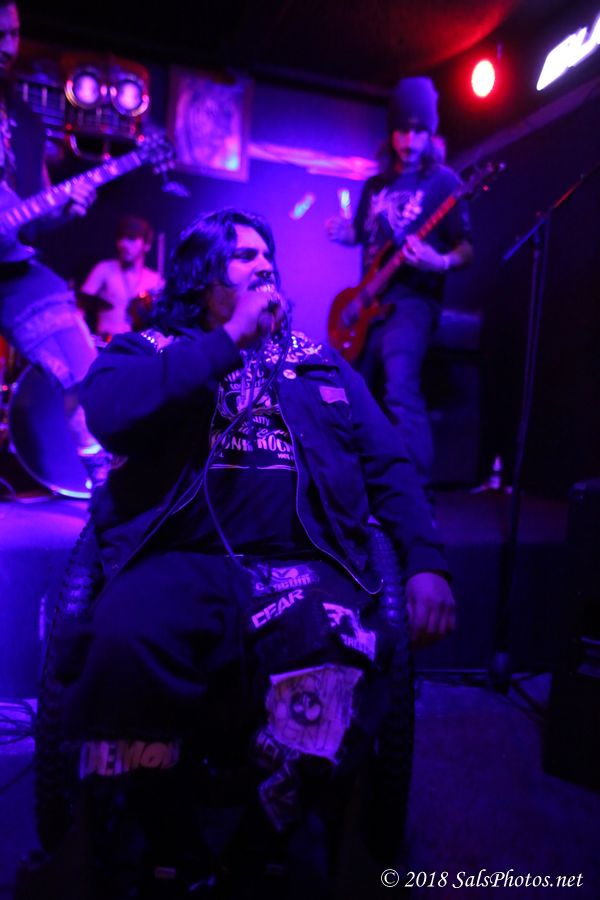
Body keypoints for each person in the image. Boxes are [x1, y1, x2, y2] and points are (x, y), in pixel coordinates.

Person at [57, 208, 455, 899]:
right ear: (202, 275)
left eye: (267, 253)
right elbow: (108, 412)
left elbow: (388, 463)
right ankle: (174, 847)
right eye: (243, 255)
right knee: (121, 642)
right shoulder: (149, 349)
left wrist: (424, 559)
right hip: (178, 560)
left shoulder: (317, 361)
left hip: (303, 564)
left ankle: (254, 851)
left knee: (340, 657)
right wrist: (226, 343)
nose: (264, 262)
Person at [326, 77, 474, 486]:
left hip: (413, 301)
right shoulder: (375, 185)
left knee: (399, 387)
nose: (409, 141)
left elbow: (467, 249)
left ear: (431, 134)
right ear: (390, 132)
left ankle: (416, 496)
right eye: (402, 131)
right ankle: (355, 486)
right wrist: (345, 233)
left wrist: (438, 260)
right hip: (369, 302)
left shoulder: (444, 182)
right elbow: (363, 234)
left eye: (419, 131)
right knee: (352, 392)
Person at [0, 0, 105, 486]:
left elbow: (30, 222)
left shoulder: (24, 120)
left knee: (82, 367)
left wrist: (62, 211)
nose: (8, 45)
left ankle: (103, 489)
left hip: (13, 273)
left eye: (14, 33)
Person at [80, 215, 164, 337]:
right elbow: (79, 306)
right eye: (121, 238)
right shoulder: (104, 269)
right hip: (105, 344)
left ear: (146, 244)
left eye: (131, 238)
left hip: (137, 346)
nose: (124, 244)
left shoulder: (155, 280)